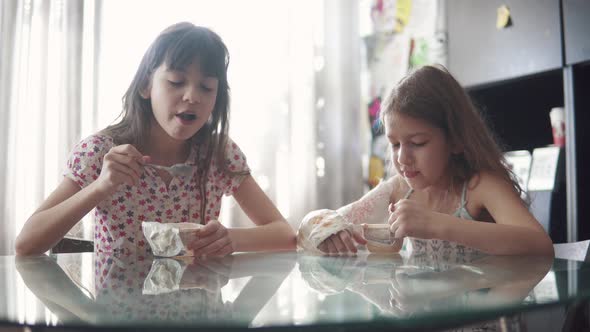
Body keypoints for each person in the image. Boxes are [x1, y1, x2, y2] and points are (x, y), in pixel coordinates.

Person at [16, 22, 296, 256]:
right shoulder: (101, 152)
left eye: (207, 87)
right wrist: (101, 186)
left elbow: (283, 234)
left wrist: (231, 240)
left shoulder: (218, 153)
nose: (192, 96)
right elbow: (26, 245)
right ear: (145, 86)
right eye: (176, 82)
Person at [298, 65, 554, 256]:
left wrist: (437, 224)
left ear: (455, 139)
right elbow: (321, 224)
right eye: (395, 144)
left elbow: (540, 245)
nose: (402, 157)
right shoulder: (399, 189)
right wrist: (326, 230)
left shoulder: (479, 186)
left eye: (418, 143)